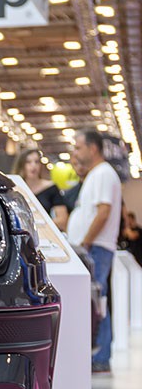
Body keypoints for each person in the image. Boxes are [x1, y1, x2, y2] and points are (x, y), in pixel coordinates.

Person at [67, 130, 122, 374]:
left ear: (93, 148)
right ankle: (99, 355)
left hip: (95, 248)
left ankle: (100, 356)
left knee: (97, 302)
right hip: (93, 247)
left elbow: (103, 213)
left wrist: (86, 243)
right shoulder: (95, 175)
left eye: (78, 147)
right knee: (97, 301)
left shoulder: (102, 174)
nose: (75, 152)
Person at [11, 148, 69, 230]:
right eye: (28, 162)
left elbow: (62, 220)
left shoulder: (51, 187)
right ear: (22, 165)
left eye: (36, 162)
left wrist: (40, 224)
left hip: (44, 232)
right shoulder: (14, 189)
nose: (33, 165)